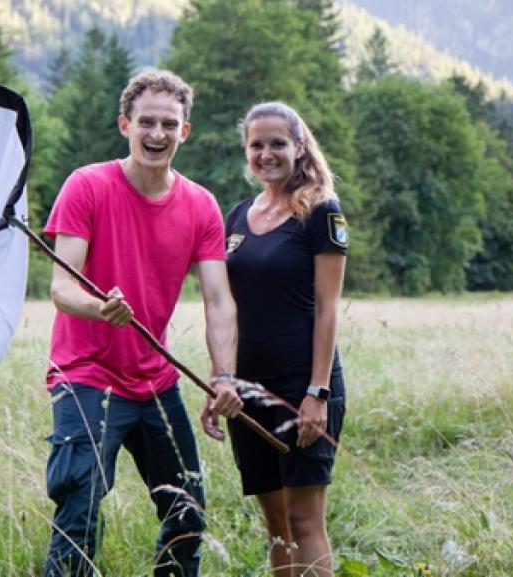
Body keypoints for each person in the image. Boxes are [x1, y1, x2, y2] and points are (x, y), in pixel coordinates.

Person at [42, 69, 244, 577]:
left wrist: (223, 376)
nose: (157, 134)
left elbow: (218, 300)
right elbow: (61, 288)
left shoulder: (200, 205)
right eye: (146, 122)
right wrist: (99, 308)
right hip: (86, 374)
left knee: (188, 510)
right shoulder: (87, 185)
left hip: (155, 381)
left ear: (185, 131)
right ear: (124, 124)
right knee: (79, 505)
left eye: (169, 124)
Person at [201, 102, 348, 577]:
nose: (266, 153)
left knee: (304, 519)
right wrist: (221, 380)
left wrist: (317, 392)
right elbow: (224, 306)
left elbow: (328, 311)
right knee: (276, 524)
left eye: (277, 143)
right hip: (248, 392)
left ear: (299, 147)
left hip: (302, 387)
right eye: (256, 145)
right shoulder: (238, 217)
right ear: (246, 151)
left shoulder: (321, 211)